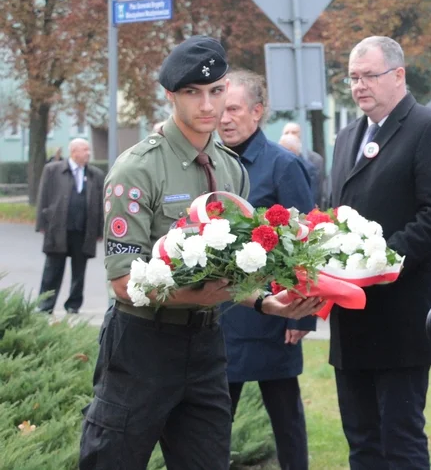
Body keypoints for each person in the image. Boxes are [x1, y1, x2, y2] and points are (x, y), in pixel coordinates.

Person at [78, 36, 324, 470]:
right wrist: (197, 297)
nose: (208, 105)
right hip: (142, 346)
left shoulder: (230, 169)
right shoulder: (137, 169)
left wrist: (266, 303)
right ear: (171, 96)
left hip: (208, 346)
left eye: (216, 91)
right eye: (193, 92)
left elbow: (234, 275)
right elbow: (123, 284)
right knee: (111, 461)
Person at [329, 36, 431, 469]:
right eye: (353, 77)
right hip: (350, 314)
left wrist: (380, 261)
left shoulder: (430, 128)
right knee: (361, 438)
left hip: (399, 312)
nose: (359, 86)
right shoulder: (348, 135)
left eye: (369, 75)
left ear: (399, 75)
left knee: (400, 438)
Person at [218, 69, 316, 470]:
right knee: (214, 417)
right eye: (220, 109)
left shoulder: (282, 165)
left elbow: (305, 241)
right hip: (223, 311)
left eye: (234, 109)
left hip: (276, 315)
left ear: (256, 112)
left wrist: (302, 317)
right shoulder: (212, 161)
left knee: (285, 415)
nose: (224, 117)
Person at [34, 138, 104, 314]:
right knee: (52, 270)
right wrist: (41, 224)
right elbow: (43, 197)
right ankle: (45, 305)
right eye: (85, 150)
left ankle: (73, 305)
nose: (88, 153)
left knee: (79, 272)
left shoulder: (96, 174)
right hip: (58, 229)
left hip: (83, 231)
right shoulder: (53, 170)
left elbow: (101, 203)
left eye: (88, 149)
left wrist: (100, 229)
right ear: (74, 152)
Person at [282, 122, 328, 209]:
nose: (290, 135)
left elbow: (317, 192)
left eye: (294, 132)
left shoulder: (315, 160)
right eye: (287, 133)